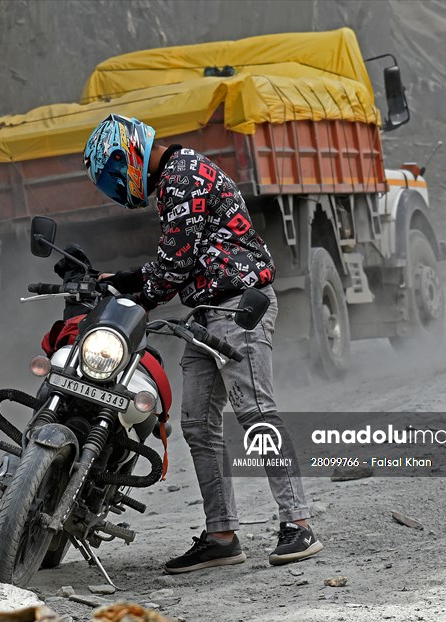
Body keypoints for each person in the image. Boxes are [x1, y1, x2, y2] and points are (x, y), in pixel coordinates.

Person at [83, 113, 322, 572]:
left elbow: (172, 264)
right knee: (196, 425)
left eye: (115, 171)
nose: (116, 184)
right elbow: (176, 258)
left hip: (237, 304)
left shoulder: (182, 175)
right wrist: (128, 281)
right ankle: (222, 535)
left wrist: (133, 288)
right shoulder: (175, 177)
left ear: (131, 152)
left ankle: (299, 524)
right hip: (207, 311)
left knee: (255, 413)